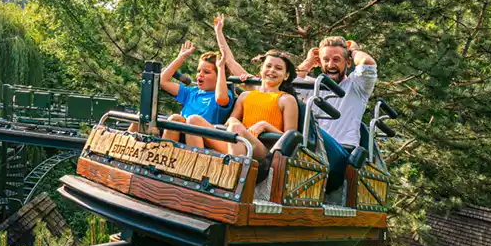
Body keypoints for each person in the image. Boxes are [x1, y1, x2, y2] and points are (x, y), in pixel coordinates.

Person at [296, 36, 378, 193]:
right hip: (309, 150)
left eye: (336, 59)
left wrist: (353, 50)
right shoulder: (312, 85)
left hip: (341, 155)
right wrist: (308, 62)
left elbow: (367, 63)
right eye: (326, 60)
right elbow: (287, 85)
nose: (331, 65)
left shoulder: (356, 86)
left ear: (348, 62)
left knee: (307, 122)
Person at [223, 50, 300, 197]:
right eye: (268, 66)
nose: (272, 70)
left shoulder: (286, 99)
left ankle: (233, 184)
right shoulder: (245, 95)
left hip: (264, 152)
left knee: (236, 128)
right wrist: (233, 122)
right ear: (261, 70)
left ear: (286, 75)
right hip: (240, 143)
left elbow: (291, 138)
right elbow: (231, 121)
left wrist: (265, 125)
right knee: (194, 120)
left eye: (278, 68)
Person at [157, 40, 234, 150]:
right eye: (199, 71)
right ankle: (164, 154)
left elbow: (221, 99)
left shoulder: (223, 95)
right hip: (183, 136)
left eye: (206, 72)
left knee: (193, 120)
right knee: (174, 118)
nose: (200, 75)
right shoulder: (192, 92)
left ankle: (195, 158)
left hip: (209, 140)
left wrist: (221, 68)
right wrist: (181, 58)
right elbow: (162, 81)